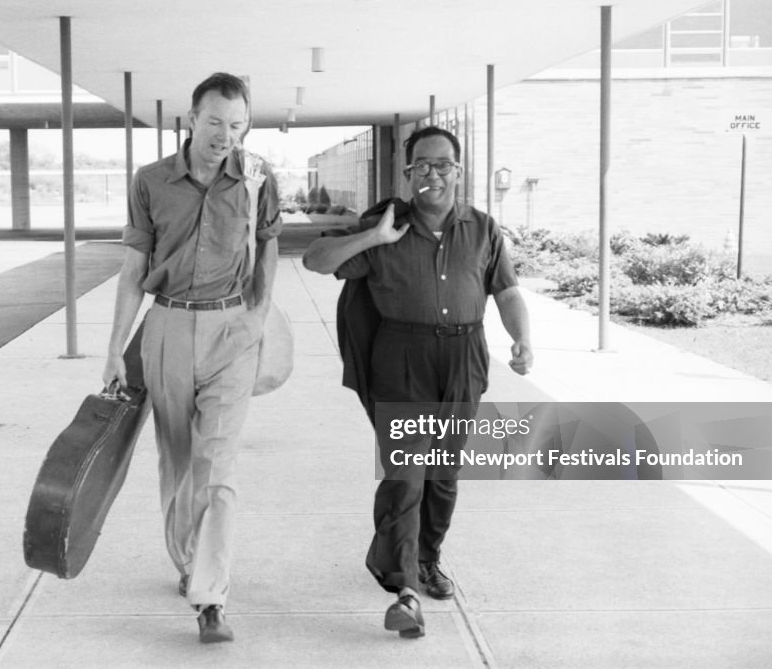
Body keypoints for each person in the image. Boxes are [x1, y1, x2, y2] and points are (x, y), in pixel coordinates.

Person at [302, 125, 532, 639]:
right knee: (407, 474)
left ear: (458, 169)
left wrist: (522, 340)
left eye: (442, 164)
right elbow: (316, 260)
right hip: (401, 357)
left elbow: (508, 290)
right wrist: (373, 237)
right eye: (422, 165)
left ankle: (428, 558)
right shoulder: (385, 224)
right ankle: (404, 587)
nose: (433, 174)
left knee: (442, 476)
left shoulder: (482, 227)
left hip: (464, 357)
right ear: (408, 173)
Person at [102, 72, 281, 643]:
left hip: (233, 329)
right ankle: (186, 560)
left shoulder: (257, 179)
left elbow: (270, 244)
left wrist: (257, 313)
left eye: (237, 124)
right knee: (177, 460)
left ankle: (210, 597)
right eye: (215, 122)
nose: (225, 135)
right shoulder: (151, 181)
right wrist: (113, 350)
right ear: (191, 118)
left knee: (217, 467)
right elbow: (134, 268)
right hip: (168, 326)